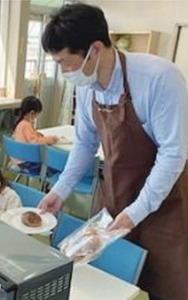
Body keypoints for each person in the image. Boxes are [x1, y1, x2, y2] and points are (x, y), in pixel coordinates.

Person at [38, 3, 188, 300]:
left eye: (65, 62)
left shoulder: (158, 78)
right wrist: (61, 190)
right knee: (105, 281)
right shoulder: (88, 86)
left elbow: (173, 154)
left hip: (164, 203)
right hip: (115, 198)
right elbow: (84, 144)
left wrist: (137, 211)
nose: (64, 71)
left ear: (94, 49)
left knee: (165, 284)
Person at [12, 96, 58, 173]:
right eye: (37, 114)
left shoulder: (20, 123)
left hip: (18, 160)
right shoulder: (26, 125)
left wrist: (35, 133)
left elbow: (26, 137)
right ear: (32, 113)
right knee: (54, 166)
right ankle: (45, 184)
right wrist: (48, 139)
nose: (36, 117)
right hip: (27, 163)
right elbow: (35, 142)